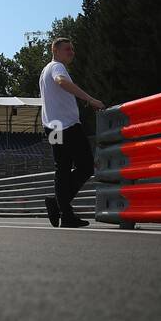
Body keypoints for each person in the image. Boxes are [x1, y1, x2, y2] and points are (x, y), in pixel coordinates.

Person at [39, 37, 103, 228]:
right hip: (66, 126)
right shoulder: (57, 67)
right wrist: (89, 99)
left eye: (73, 49)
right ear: (55, 50)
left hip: (52, 125)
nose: (72, 52)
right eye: (67, 49)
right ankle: (61, 206)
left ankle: (63, 210)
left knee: (63, 168)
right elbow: (61, 82)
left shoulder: (45, 70)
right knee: (85, 167)